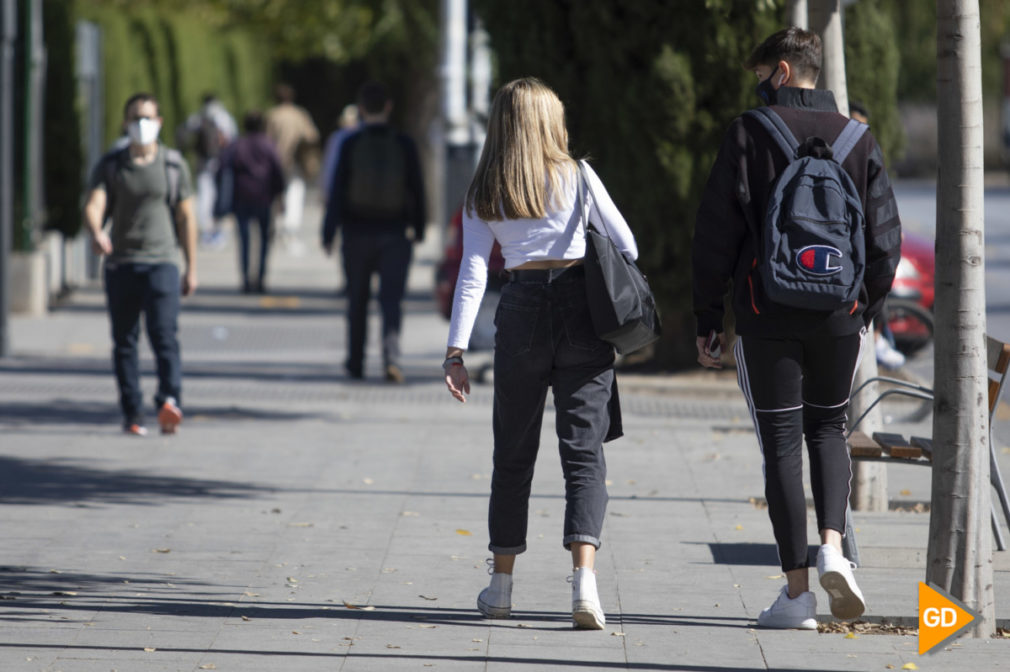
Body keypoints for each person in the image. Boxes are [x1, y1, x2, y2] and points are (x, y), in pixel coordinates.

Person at [692, 28, 901, 629]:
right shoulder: (860, 138)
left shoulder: (746, 134)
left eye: (760, 75)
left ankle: (797, 596)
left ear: (781, 72)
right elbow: (885, 239)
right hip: (840, 314)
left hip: (766, 311)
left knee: (781, 444)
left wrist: (709, 317)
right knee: (830, 426)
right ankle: (834, 545)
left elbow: (713, 234)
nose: (757, 87)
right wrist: (865, 309)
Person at [443, 78, 637, 629]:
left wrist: (455, 351)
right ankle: (585, 589)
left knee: (513, 452)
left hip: (521, 312)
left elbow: (474, 272)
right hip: (583, 314)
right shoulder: (578, 176)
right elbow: (628, 245)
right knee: (584, 453)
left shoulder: (485, 188)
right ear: (550, 122)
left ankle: (501, 586)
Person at [83, 92, 199, 436]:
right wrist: (96, 231)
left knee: (164, 336)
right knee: (125, 341)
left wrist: (192, 266)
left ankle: (169, 401)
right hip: (122, 265)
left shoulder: (173, 165)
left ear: (160, 123)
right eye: (135, 118)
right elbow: (94, 203)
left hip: (162, 263)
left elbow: (186, 217)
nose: (141, 124)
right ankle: (132, 411)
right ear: (125, 123)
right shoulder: (112, 165)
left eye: (148, 117)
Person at [322, 81, 425, 383]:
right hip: (394, 233)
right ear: (389, 107)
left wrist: (329, 232)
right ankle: (391, 359)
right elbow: (416, 189)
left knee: (357, 300)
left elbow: (338, 190)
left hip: (356, 233)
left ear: (361, 109)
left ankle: (355, 361)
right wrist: (418, 227)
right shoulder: (404, 143)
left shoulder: (351, 143)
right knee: (391, 300)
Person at [849, 101, 906, 371]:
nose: (857, 131)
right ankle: (878, 335)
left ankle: (880, 335)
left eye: (863, 125)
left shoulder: (866, 152)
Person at [219, 110, 286, 294]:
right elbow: (277, 172)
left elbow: (223, 168)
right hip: (264, 197)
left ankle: (246, 279)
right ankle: (261, 277)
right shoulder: (268, 145)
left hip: (241, 197)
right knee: (265, 239)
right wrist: (280, 196)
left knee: (244, 240)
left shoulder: (237, 145)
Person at [266, 83, 320, 255]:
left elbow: (266, 139)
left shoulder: (272, 115)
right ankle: (290, 230)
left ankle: (276, 227)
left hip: (275, 161)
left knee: (276, 195)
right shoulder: (299, 114)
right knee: (295, 193)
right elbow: (312, 136)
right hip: (294, 160)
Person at [179, 93, 238, 248]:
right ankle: (216, 230)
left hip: (203, 162)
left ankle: (206, 230)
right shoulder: (224, 117)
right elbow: (232, 138)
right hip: (221, 162)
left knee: (205, 196)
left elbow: (183, 135)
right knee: (219, 196)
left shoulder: (197, 118)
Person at [320, 104, 361, 204]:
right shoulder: (337, 138)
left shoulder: (337, 138)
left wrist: (325, 189)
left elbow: (329, 165)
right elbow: (329, 164)